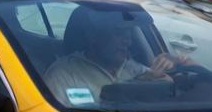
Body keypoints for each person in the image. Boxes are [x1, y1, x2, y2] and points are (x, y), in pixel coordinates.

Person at [43, 8, 192, 106]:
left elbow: (168, 92)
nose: (128, 41)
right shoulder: (63, 75)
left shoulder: (135, 69)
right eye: (119, 33)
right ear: (93, 36)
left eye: (129, 33)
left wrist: (172, 70)